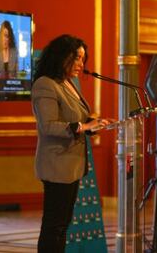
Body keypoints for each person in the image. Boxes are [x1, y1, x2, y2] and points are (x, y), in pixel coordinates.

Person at [31, 34, 110, 253]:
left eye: (83, 59)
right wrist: (82, 127)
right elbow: (48, 126)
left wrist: (94, 125)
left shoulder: (66, 82)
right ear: (61, 56)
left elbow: (77, 119)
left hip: (72, 166)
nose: (81, 64)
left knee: (62, 226)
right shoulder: (45, 84)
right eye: (76, 58)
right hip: (57, 165)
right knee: (53, 226)